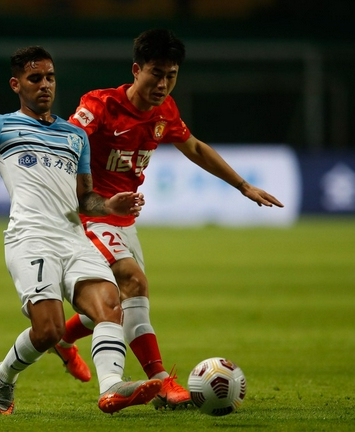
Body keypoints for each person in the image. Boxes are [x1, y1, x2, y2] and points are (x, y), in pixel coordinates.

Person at [49, 29, 284, 409]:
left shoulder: (165, 111)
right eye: (156, 74)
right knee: (134, 282)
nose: (163, 84)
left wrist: (243, 186)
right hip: (90, 214)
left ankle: (60, 338)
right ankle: (160, 381)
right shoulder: (100, 105)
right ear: (136, 70)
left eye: (171, 75)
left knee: (115, 303)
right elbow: (66, 144)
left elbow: (194, 148)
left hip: (124, 221)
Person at [0, 45, 163, 415]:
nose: (44, 84)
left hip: (75, 238)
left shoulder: (74, 136)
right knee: (49, 332)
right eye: (35, 78)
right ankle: (4, 375)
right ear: (16, 84)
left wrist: (109, 206)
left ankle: (111, 386)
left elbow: (85, 198)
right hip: (31, 239)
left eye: (50, 77)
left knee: (110, 304)